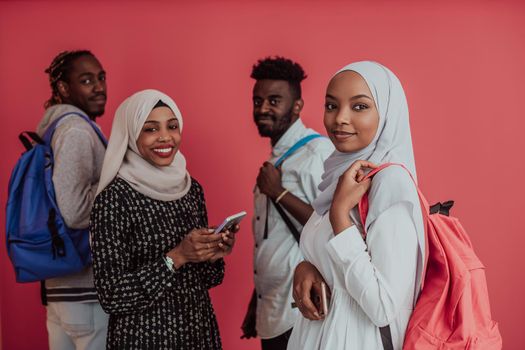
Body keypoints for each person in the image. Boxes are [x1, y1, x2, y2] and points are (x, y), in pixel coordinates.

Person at [287, 61, 426, 350]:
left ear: (387, 113)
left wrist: (340, 216)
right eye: (331, 106)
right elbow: (331, 261)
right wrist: (305, 267)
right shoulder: (340, 177)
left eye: (359, 106)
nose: (340, 118)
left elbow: (384, 307)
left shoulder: (391, 184)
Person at [90, 89, 236, 349]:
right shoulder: (114, 199)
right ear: (131, 134)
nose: (165, 137)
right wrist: (176, 257)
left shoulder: (191, 189)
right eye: (150, 129)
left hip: (197, 332)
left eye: (172, 126)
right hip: (143, 338)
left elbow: (208, 280)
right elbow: (111, 296)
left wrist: (213, 251)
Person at [241, 57, 334, 350]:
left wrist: (279, 192)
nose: (263, 108)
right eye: (258, 101)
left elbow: (333, 226)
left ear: (297, 106)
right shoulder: (277, 159)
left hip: (302, 310)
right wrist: (256, 300)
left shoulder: (317, 153)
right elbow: (274, 239)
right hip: (273, 306)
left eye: (274, 100)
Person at [37, 50, 109, 350]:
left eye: (101, 77)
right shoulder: (77, 131)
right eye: (86, 80)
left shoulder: (54, 129)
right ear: (64, 89)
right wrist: (118, 187)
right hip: (84, 291)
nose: (99, 87)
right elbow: (74, 210)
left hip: (60, 287)